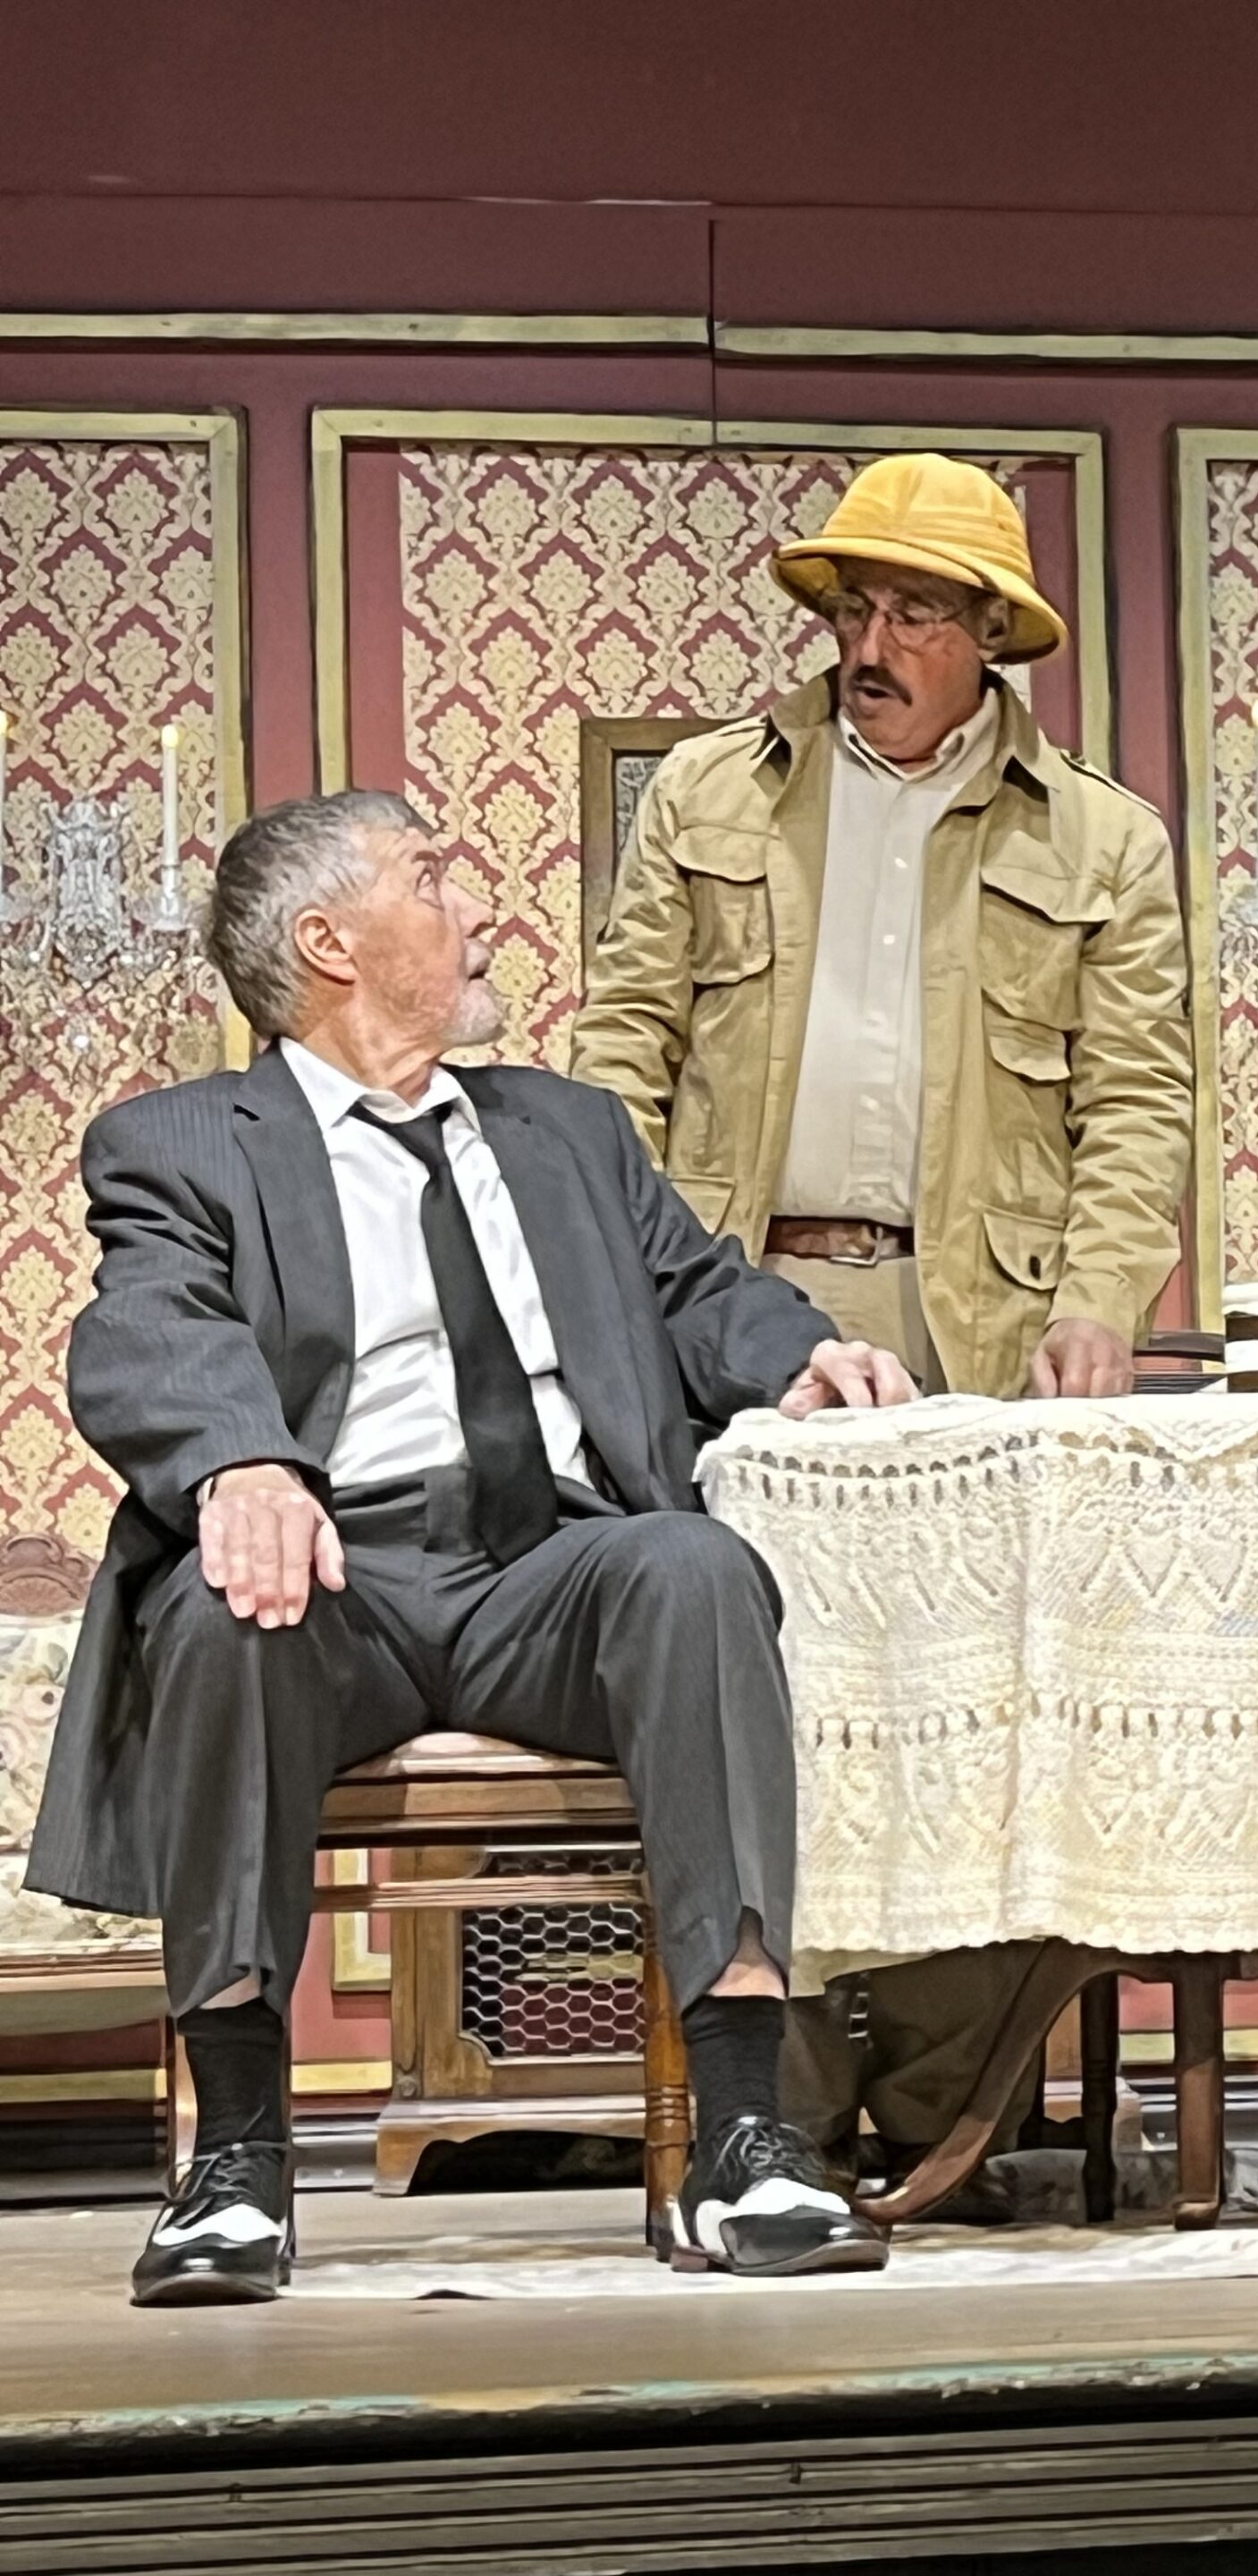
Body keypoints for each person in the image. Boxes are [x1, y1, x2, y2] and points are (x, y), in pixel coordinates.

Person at [31, 792, 918, 2302]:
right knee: (227, 1605)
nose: (472, 902)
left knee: (695, 1568)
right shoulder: (181, 1145)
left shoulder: (562, 1128)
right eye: (429, 877)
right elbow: (146, 1323)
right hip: (338, 1575)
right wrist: (245, 1460)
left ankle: (745, 2137)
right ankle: (235, 2166)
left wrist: (800, 1353)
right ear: (331, 943)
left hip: (548, 1575)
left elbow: (694, 1289)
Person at [568, 452, 1195, 2187]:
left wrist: (1098, 1302)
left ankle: (944, 2112)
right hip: (738, 1306)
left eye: (916, 612)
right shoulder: (714, 793)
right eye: (857, 607)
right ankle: (773, 2095)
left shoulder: (1098, 838)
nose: (872, 643)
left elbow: (1138, 1099)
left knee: (963, 1707)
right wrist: (633, 1292)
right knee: (757, 1689)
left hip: (966, 1316)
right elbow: (620, 1055)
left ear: (992, 637)